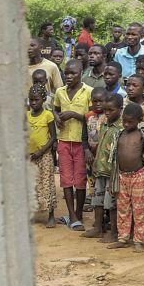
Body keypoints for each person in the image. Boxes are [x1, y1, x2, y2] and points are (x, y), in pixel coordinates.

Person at [107, 102, 144, 252]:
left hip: (138, 176)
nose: (126, 124)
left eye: (130, 121)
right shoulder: (119, 134)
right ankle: (123, 238)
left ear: (139, 120)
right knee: (122, 209)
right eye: (124, 120)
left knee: (139, 210)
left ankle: (138, 240)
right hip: (122, 177)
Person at [54, 59, 92, 230]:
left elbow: (92, 117)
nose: (68, 76)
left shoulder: (88, 92)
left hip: (81, 142)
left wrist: (74, 115)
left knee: (80, 180)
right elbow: (55, 108)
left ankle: (78, 213)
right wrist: (56, 116)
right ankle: (72, 215)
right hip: (64, 140)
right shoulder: (60, 92)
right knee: (66, 179)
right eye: (66, 73)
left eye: (73, 73)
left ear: (81, 73)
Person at [84, 92, 123, 241]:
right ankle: (98, 227)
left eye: (110, 110)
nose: (106, 113)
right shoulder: (105, 124)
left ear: (120, 109)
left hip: (112, 171)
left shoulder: (120, 127)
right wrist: (95, 161)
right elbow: (100, 144)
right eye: (105, 110)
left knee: (111, 203)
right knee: (97, 199)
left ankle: (114, 232)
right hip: (100, 168)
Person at [28, 83, 57, 228]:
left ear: (44, 99)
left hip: (44, 156)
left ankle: (51, 215)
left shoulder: (48, 115)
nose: (33, 102)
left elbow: (53, 137)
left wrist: (42, 150)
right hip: (30, 156)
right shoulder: (27, 115)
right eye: (31, 100)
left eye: (36, 100)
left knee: (47, 184)